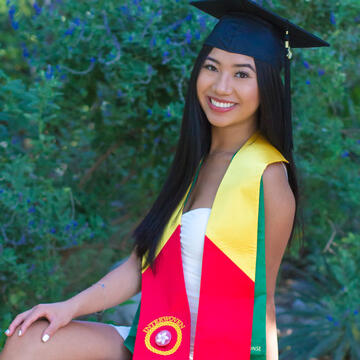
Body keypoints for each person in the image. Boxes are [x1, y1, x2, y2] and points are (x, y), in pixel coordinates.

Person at [0, 0, 329, 359]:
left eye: (241, 74)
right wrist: (68, 307)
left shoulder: (267, 175)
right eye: (211, 67)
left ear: (267, 86)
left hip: (216, 349)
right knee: (28, 341)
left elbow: (260, 301)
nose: (221, 87)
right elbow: (142, 263)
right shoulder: (197, 162)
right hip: (163, 337)